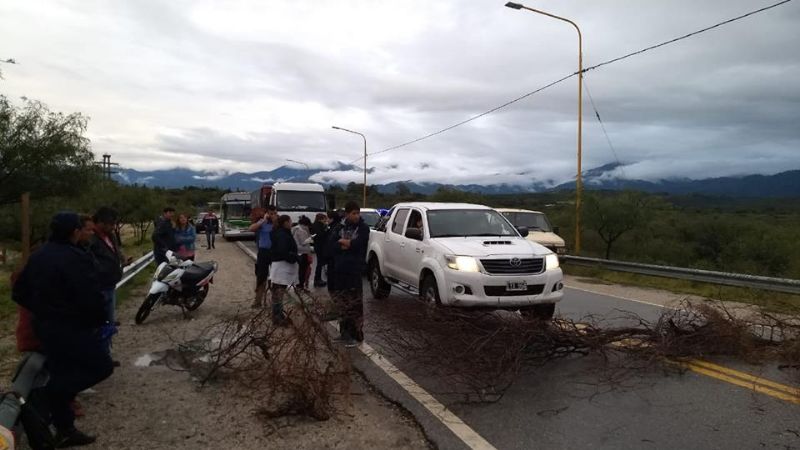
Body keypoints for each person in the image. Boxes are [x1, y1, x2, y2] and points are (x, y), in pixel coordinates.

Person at [12, 212, 114, 447]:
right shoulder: (75, 257)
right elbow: (90, 297)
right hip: (72, 328)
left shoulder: (38, 256)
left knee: (61, 371)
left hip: (45, 328)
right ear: (74, 232)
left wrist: (42, 309)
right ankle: (51, 396)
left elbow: (19, 292)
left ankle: (64, 428)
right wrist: (99, 320)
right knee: (101, 366)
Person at [327, 201, 370, 347]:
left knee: (354, 304)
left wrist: (344, 243)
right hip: (339, 270)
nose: (356, 216)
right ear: (347, 214)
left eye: (358, 213)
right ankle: (344, 333)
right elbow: (331, 246)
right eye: (353, 213)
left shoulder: (363, 228)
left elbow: (359, 244)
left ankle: (356, 335)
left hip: (354, 270)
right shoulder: (339, 227)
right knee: (342, 303)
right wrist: (344, 244)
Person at [88, 207, 130, 354]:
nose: (113, 227)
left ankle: (106, 354)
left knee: (109, 323)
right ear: (100, 222)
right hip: (99, 286)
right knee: (101, 324)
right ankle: (101, 356)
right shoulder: (90, 238)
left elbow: (116, 250)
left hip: (110, 283)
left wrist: (123, 259)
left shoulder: (110, 235)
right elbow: (90, 262)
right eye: (110, 224)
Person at [269, 215, 298, 326]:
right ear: (285, 223)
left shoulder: (281, 233)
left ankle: (279, 315)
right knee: (278, 293)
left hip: (281, 266)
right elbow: (282, 250)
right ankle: (277, 317)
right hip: (281, 266)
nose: (291, 223)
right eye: (290, 221)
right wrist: (293, 257)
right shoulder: (282, 234)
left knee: (278, 292)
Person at [248, 205, 277, 308]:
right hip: (263, 251)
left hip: (275, 252)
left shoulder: (277, 223)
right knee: (261, 276)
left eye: (274, 213)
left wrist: (274, 221)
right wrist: (263, 221)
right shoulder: (262, 222)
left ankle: (275, 301)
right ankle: (258, 301)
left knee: (276, 277)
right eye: (270, 213)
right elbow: (251, 228)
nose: (271, 215)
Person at [292, 216, 313, 291]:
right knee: (303, 270)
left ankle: (298, 284)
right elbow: (304, 242)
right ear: (305, 224)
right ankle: (301, 285)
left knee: (299, 269)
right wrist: (310, 239)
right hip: (303, 252)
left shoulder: (295, 228)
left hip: (297, 251)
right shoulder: (302, 230)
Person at [311, 213, 329, 288]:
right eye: (324, 219)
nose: (325, 220)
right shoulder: (318, 226)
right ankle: (317, 279)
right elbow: (320, 235)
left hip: (318, 246)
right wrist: (326, 230)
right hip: (320, 246)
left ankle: (318, 279)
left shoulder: (315, 225)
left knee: (320, 263)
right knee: (319, 263)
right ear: (321, 219)